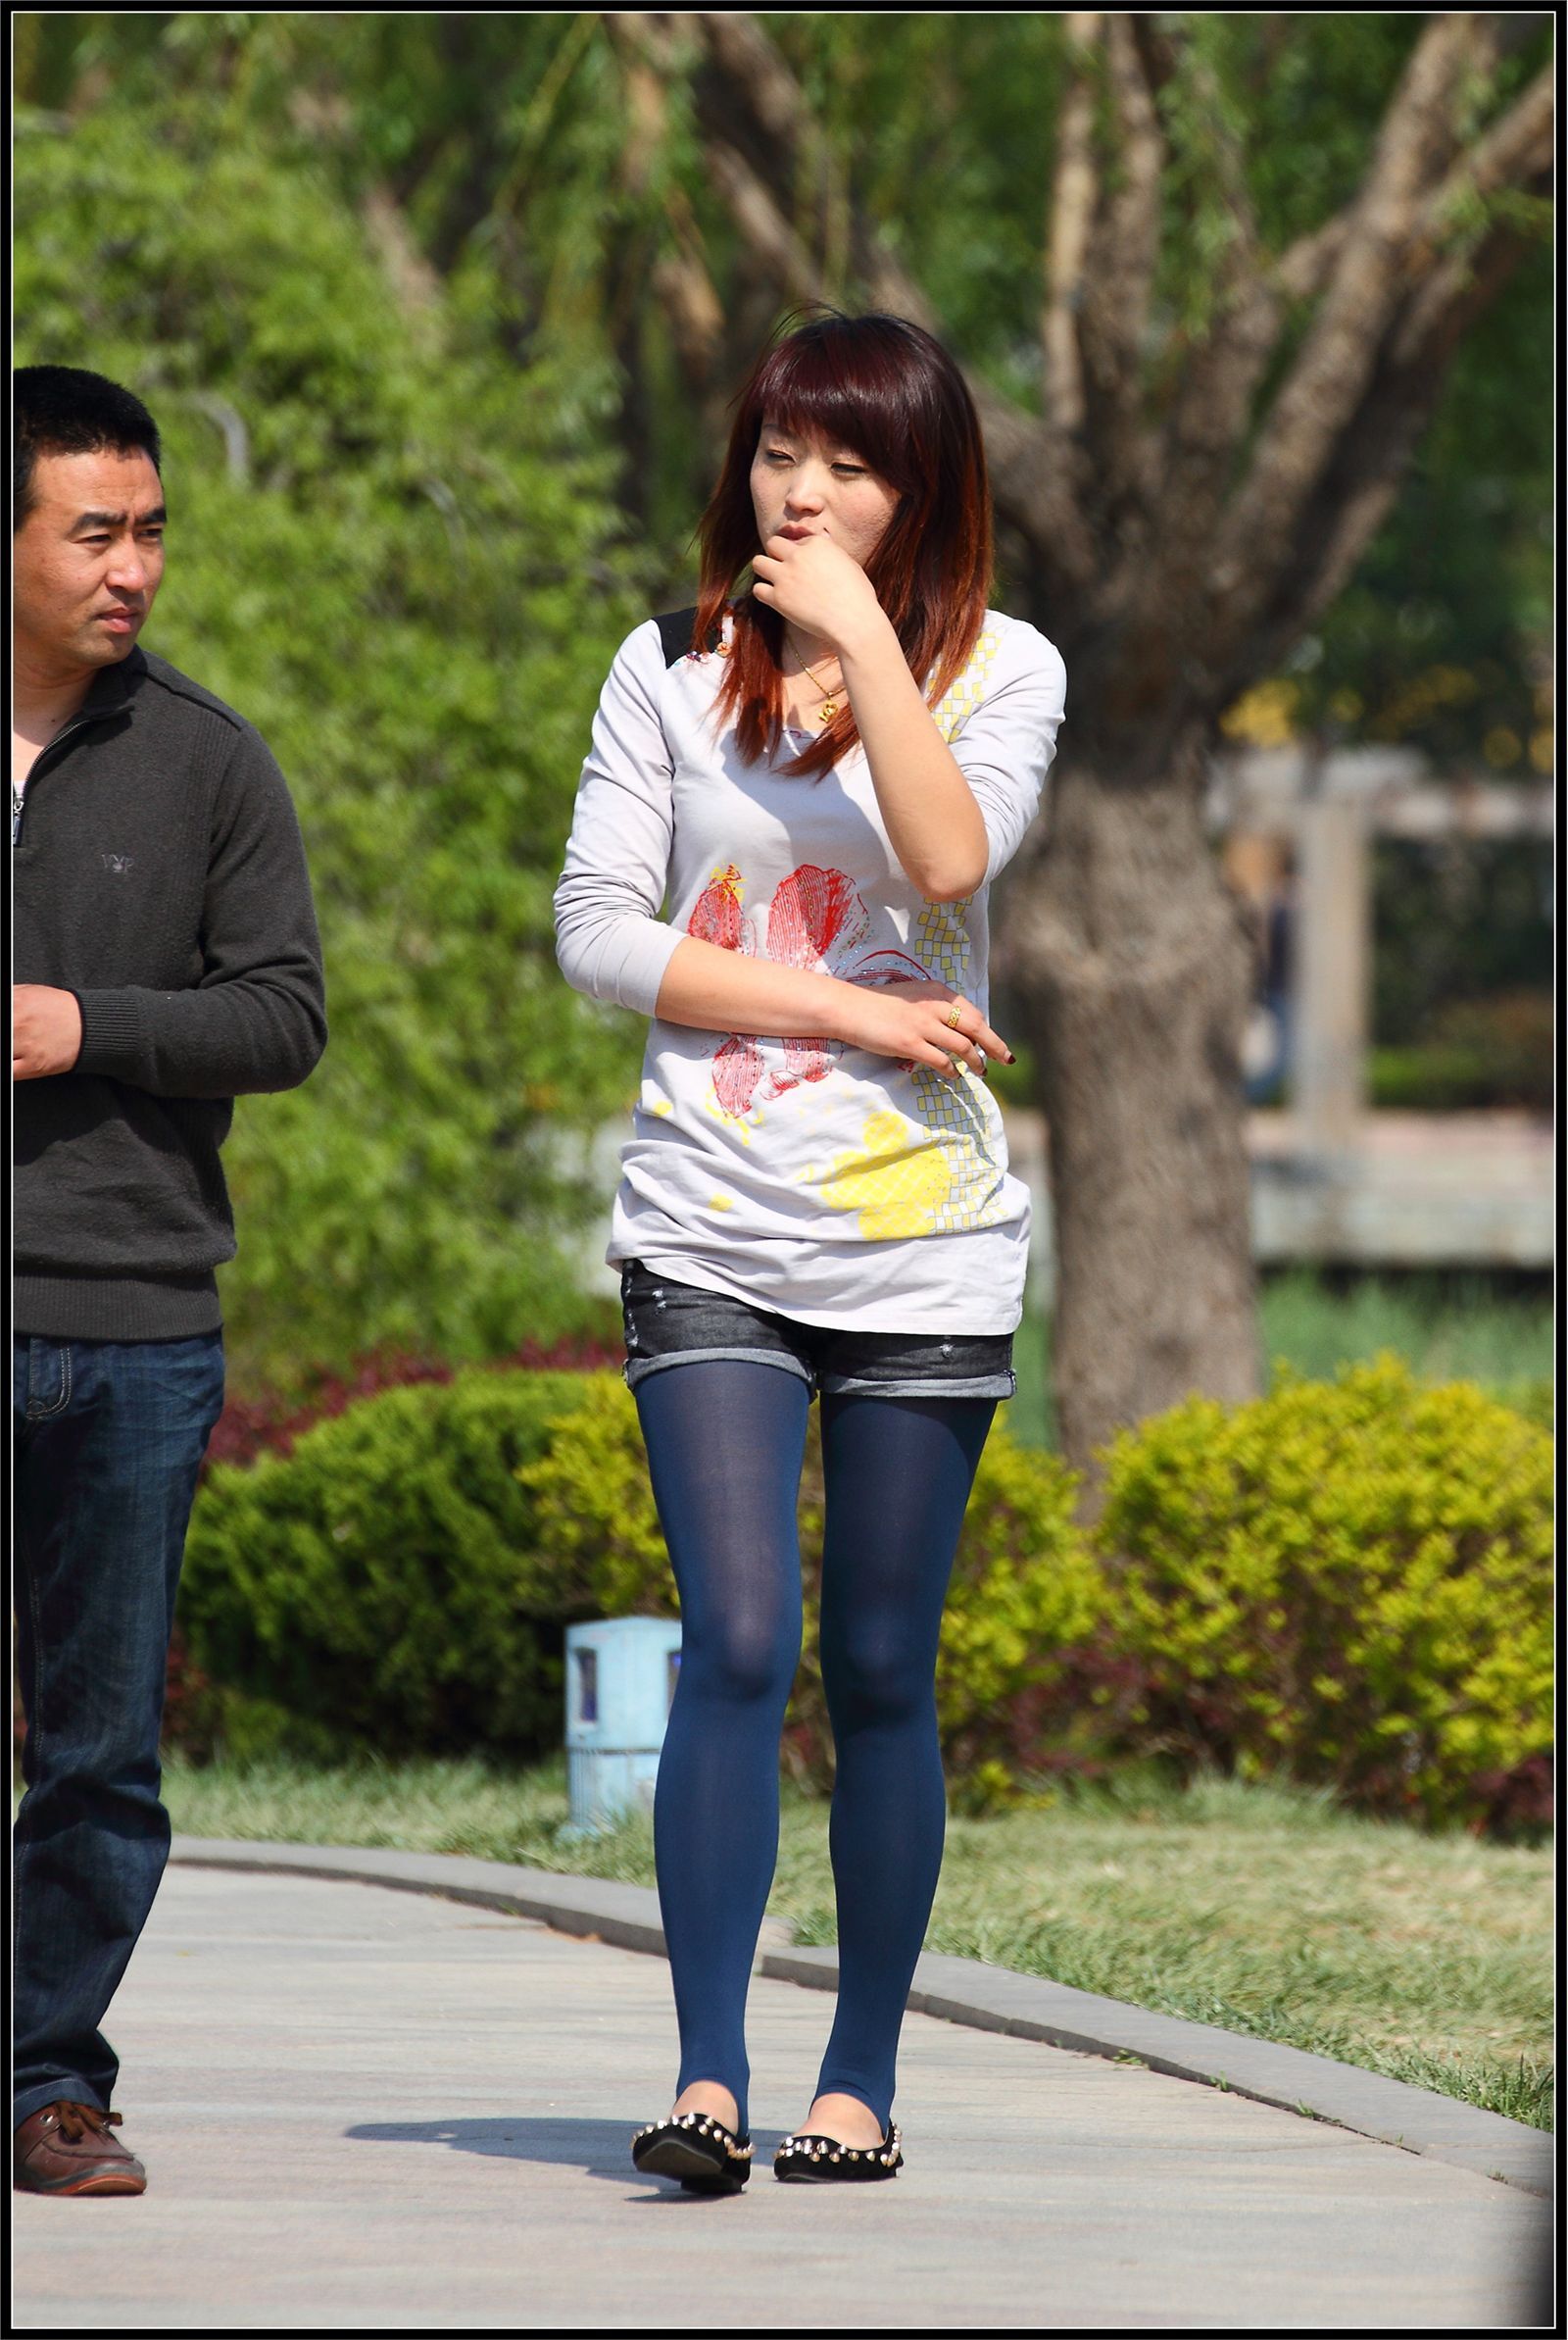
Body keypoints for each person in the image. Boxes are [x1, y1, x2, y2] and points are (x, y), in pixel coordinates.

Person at [555, 310, 1065, 2192]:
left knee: (878, 1666)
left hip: (922, 1241)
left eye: (851, 461)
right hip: (709, 1218)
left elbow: (947, 863)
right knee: (739, 1639)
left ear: (921, 488)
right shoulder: (668, 668)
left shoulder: (1008, 671)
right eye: (784, 448)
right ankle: (705, 2076)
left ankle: (858, 2080)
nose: (806, 487)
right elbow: (599, 933)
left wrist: (859, 641)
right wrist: (845, 1018)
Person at [12, 366, 327, 2196]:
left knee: (102, 1752)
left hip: (136, 1323)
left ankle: (49, 2082)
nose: (133, 567)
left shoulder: (209, 759)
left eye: (151, 533)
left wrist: (87, 1026)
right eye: (93, 532)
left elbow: (282, 1016)